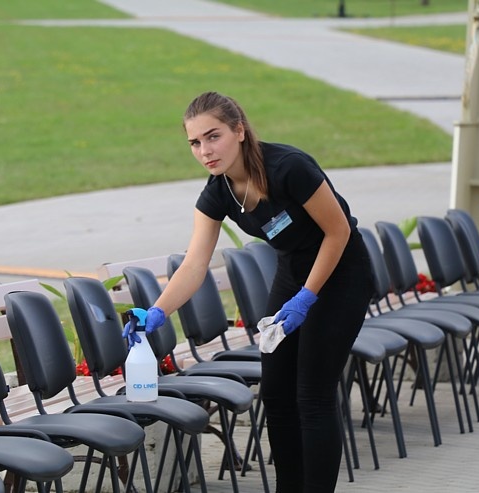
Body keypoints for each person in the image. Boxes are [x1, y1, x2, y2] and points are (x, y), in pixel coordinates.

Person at [123, 91, 373, 492]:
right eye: (195, 142)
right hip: (293, 275)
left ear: (239, 130)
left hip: (342, 272)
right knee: (275, 394)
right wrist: (157, 312)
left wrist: (308, 297)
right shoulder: (218, 191)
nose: (205, 150)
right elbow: (194, 264)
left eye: (213, 136)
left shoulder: (290, 167)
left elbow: (338, 230)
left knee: (312, 394)